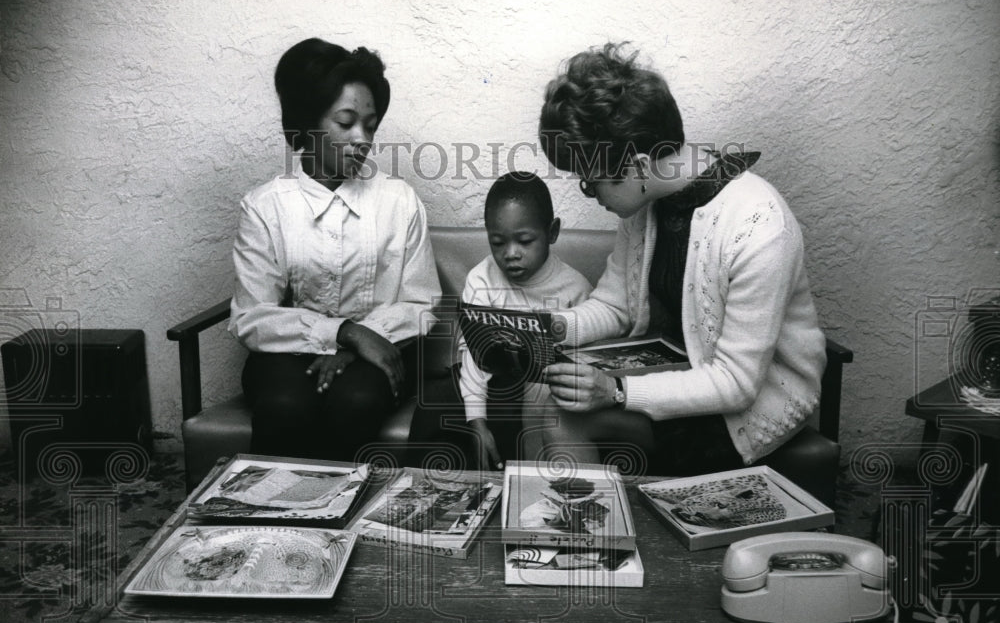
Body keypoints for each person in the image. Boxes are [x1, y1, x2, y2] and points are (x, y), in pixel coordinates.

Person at [535, 43, 827, 474]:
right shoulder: (645, 201)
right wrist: (552, 328)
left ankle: (588, 534)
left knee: (558, 415)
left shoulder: (758, 226)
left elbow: (736, 384)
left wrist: (616, 391)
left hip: (745, 406)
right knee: (539, 392)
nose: (592, 195)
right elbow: (616, 306)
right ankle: (574, 528)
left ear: (636, 166)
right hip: (670, 377)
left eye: (590, 183)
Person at [229, 38, 441, 461]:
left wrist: (360, 345)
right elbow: (252, 317)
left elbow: (421, 303)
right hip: (286, 355)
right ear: (308, 123)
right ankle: (270, 521)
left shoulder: (398, 201)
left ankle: (349, 520)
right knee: (286, 407)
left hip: (380, 350)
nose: (362, 138)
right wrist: (344, 332)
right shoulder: (266, 206)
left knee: (355, 403)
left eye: (370, 124)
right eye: (346, 122)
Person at [408, 172, 592, 470]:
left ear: (552, 232)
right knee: (436, 399)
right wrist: (477, 421)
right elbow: (473, 357)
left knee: (523, 409)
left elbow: (586, 366)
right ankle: (420, 489)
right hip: (490, 383)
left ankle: (510, 496)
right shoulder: (481, 278)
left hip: (544, 393)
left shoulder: (576, 288)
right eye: (497, 242)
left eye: (524, 241)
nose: (510, 254)